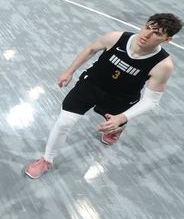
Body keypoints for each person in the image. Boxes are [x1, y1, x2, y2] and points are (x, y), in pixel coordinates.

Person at [26, 14, 180, 179]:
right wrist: (69, 71)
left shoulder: (163, 65)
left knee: (114, 123)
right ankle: (47, 160)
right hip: (90, 85)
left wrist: (121, 117)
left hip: (122, 98)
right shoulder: (116, 38)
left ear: (167, 39)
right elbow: (91, 49)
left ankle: (118, 128)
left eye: (156, 33)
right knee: (63, 123)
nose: (146, 34)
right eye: (147, 27)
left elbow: (151, 101)